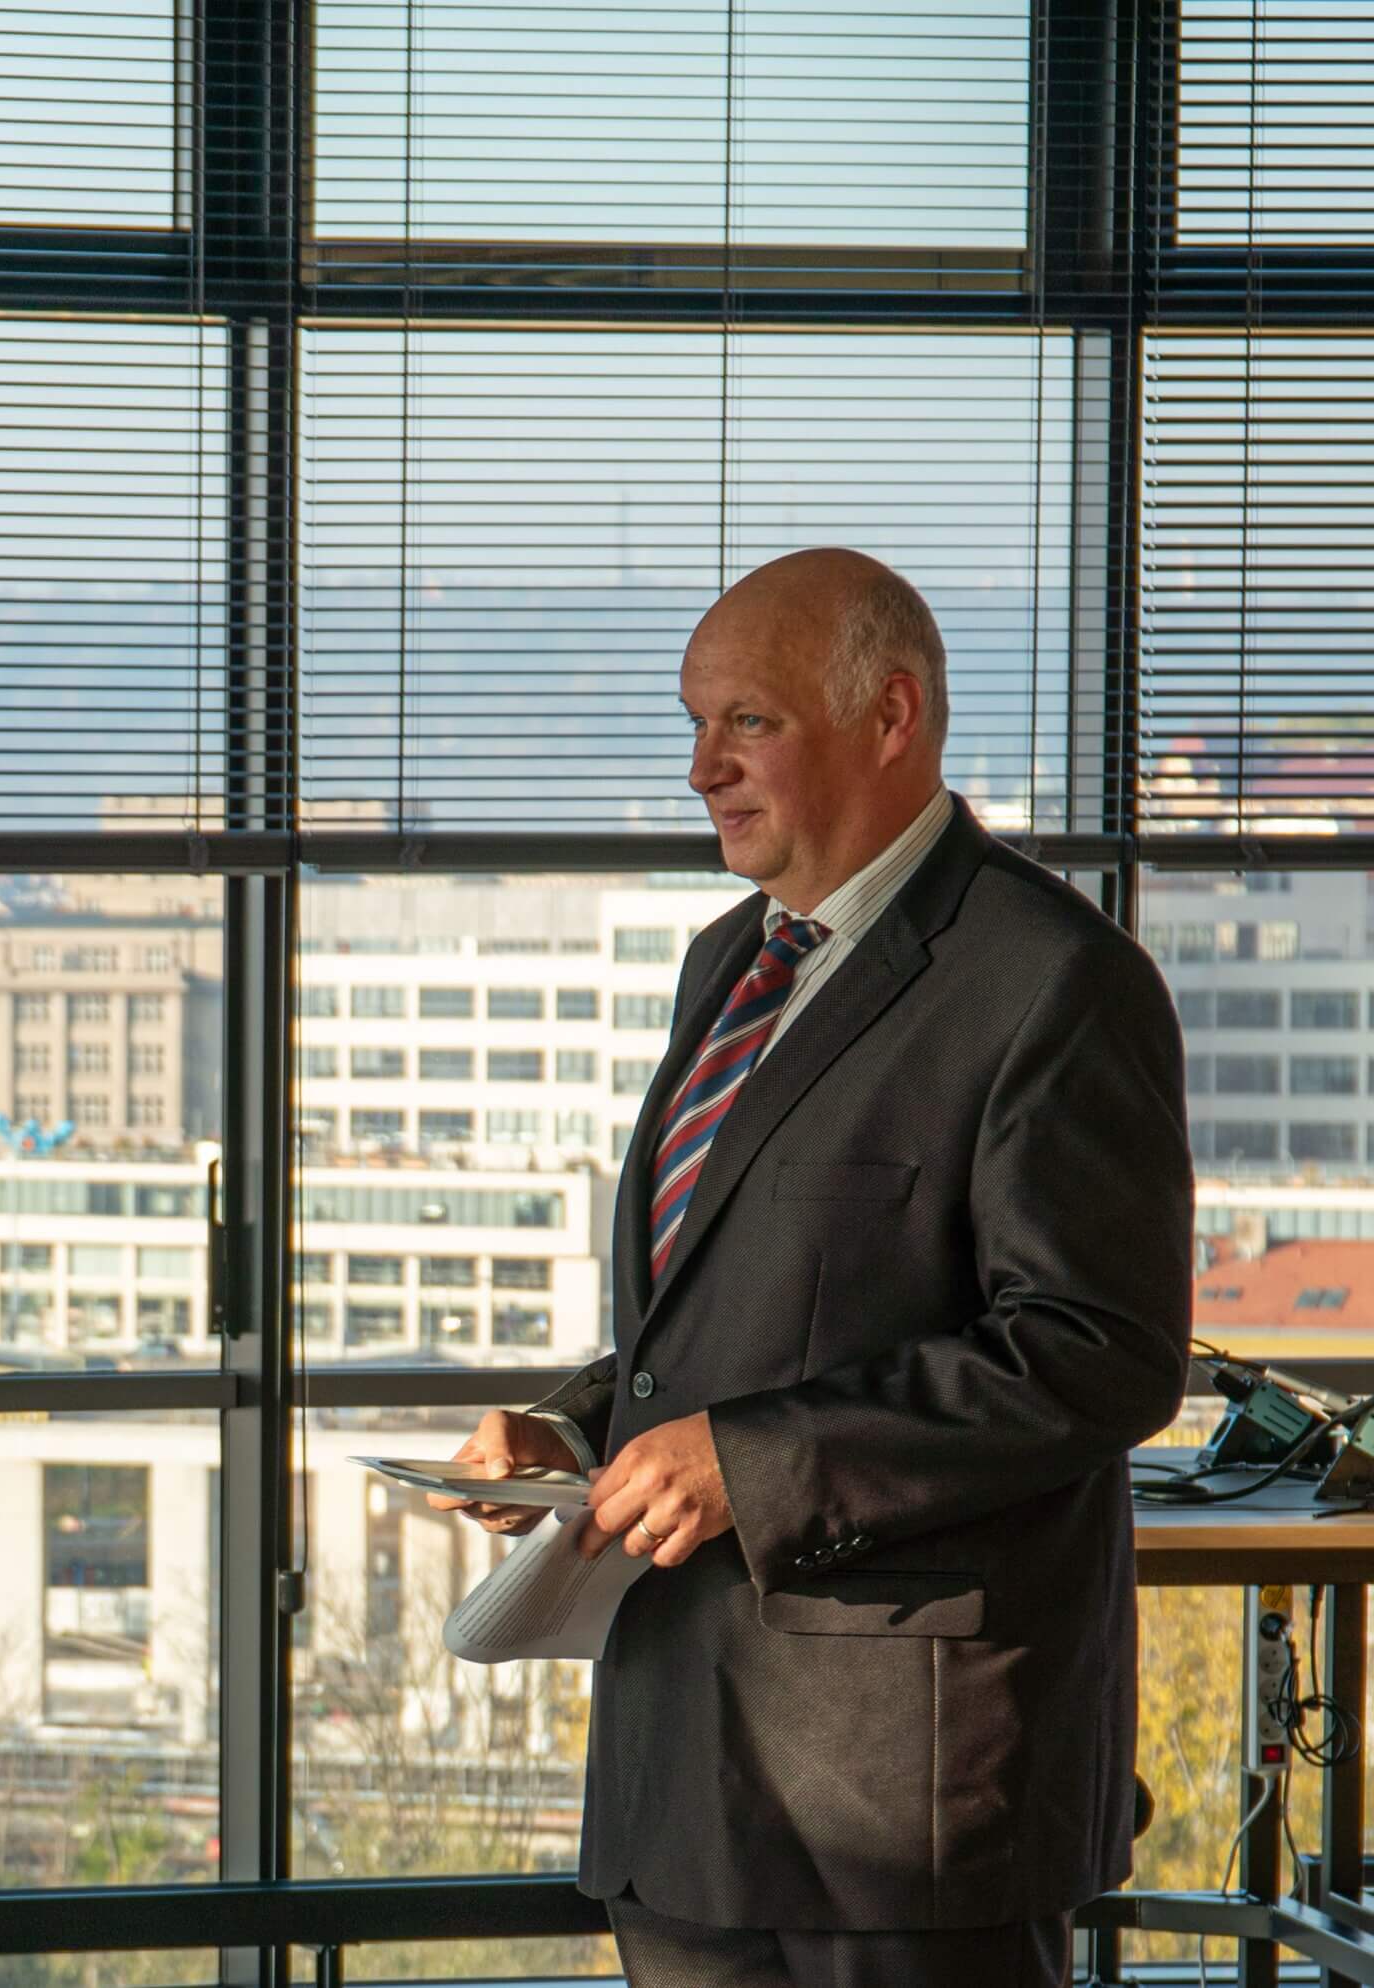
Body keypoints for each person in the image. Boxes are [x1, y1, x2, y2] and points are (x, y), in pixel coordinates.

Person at [434, 549, 1190, 1988]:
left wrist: (751, 1465)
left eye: (749, 722)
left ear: (890, 716)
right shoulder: (727, 961)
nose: (703, 768)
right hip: (683, 1778)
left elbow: (1098, 1351)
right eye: (695, 723)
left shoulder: (1053, 978)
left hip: (906, 1800)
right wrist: (579, 1434)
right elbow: (738, 1310)